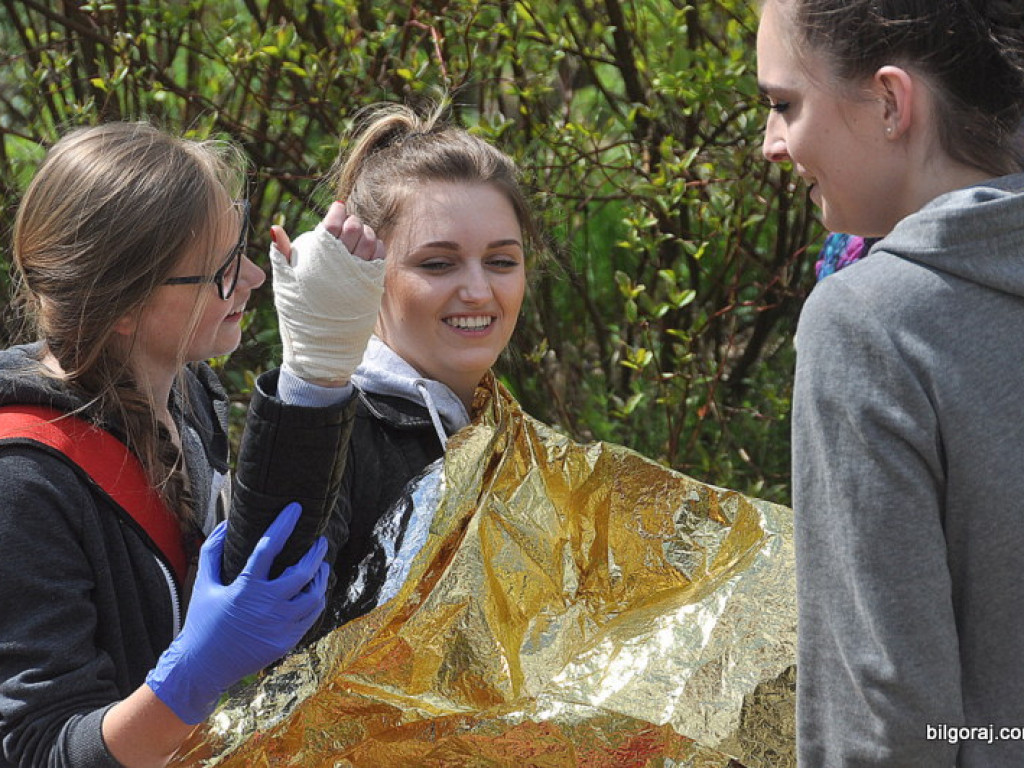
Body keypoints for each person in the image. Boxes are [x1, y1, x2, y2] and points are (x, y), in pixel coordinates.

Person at [0, 122, 329, 768]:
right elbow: (38, 749)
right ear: (121, 304)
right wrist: (194, 674)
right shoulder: (23, 484)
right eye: (224, 271)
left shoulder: (187, 390)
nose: (256, 280)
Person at [758, 0, 1024, 765]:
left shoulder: (873, 326)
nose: (771, 144)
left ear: (889, 102)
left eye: (784, 105)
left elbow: (890, 718)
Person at [221, 101, 539, 635]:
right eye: (436, 263)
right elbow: (260, 599)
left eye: (501, 261)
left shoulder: (507, 433)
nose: (479, 290)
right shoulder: (344, 431)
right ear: (368, 275)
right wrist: (314, 377)